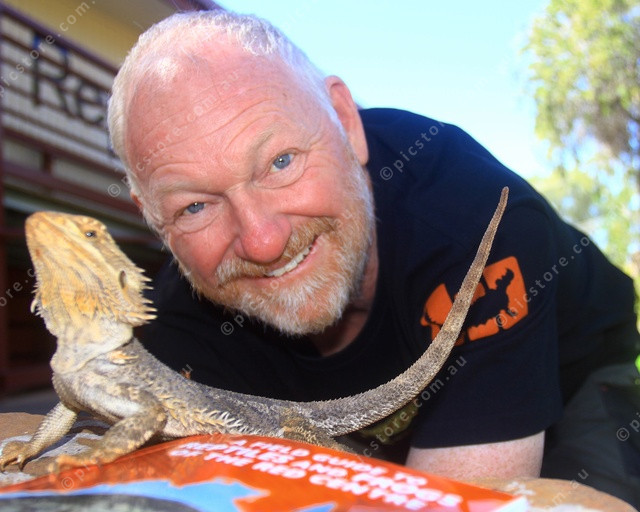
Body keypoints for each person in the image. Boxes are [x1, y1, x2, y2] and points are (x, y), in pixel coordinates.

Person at [107, 9, 640, 506]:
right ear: (151, 216)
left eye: (281, 162)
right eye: (195, 206)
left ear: (346, 120)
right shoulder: (172, 333)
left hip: (576, 372)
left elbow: (462, 495)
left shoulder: (473, 220)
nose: (262, 241)